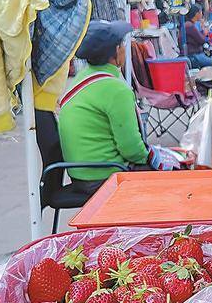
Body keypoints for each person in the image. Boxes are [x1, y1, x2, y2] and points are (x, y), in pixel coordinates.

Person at [59, 21, 178, 194]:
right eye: (122, 45)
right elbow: (131, 149)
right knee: (177, 175)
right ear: (116, 52)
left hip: (80, 174)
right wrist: (160, 158)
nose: (125, 49)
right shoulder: (116, 89)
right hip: (104, 176)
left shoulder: (82, 78)